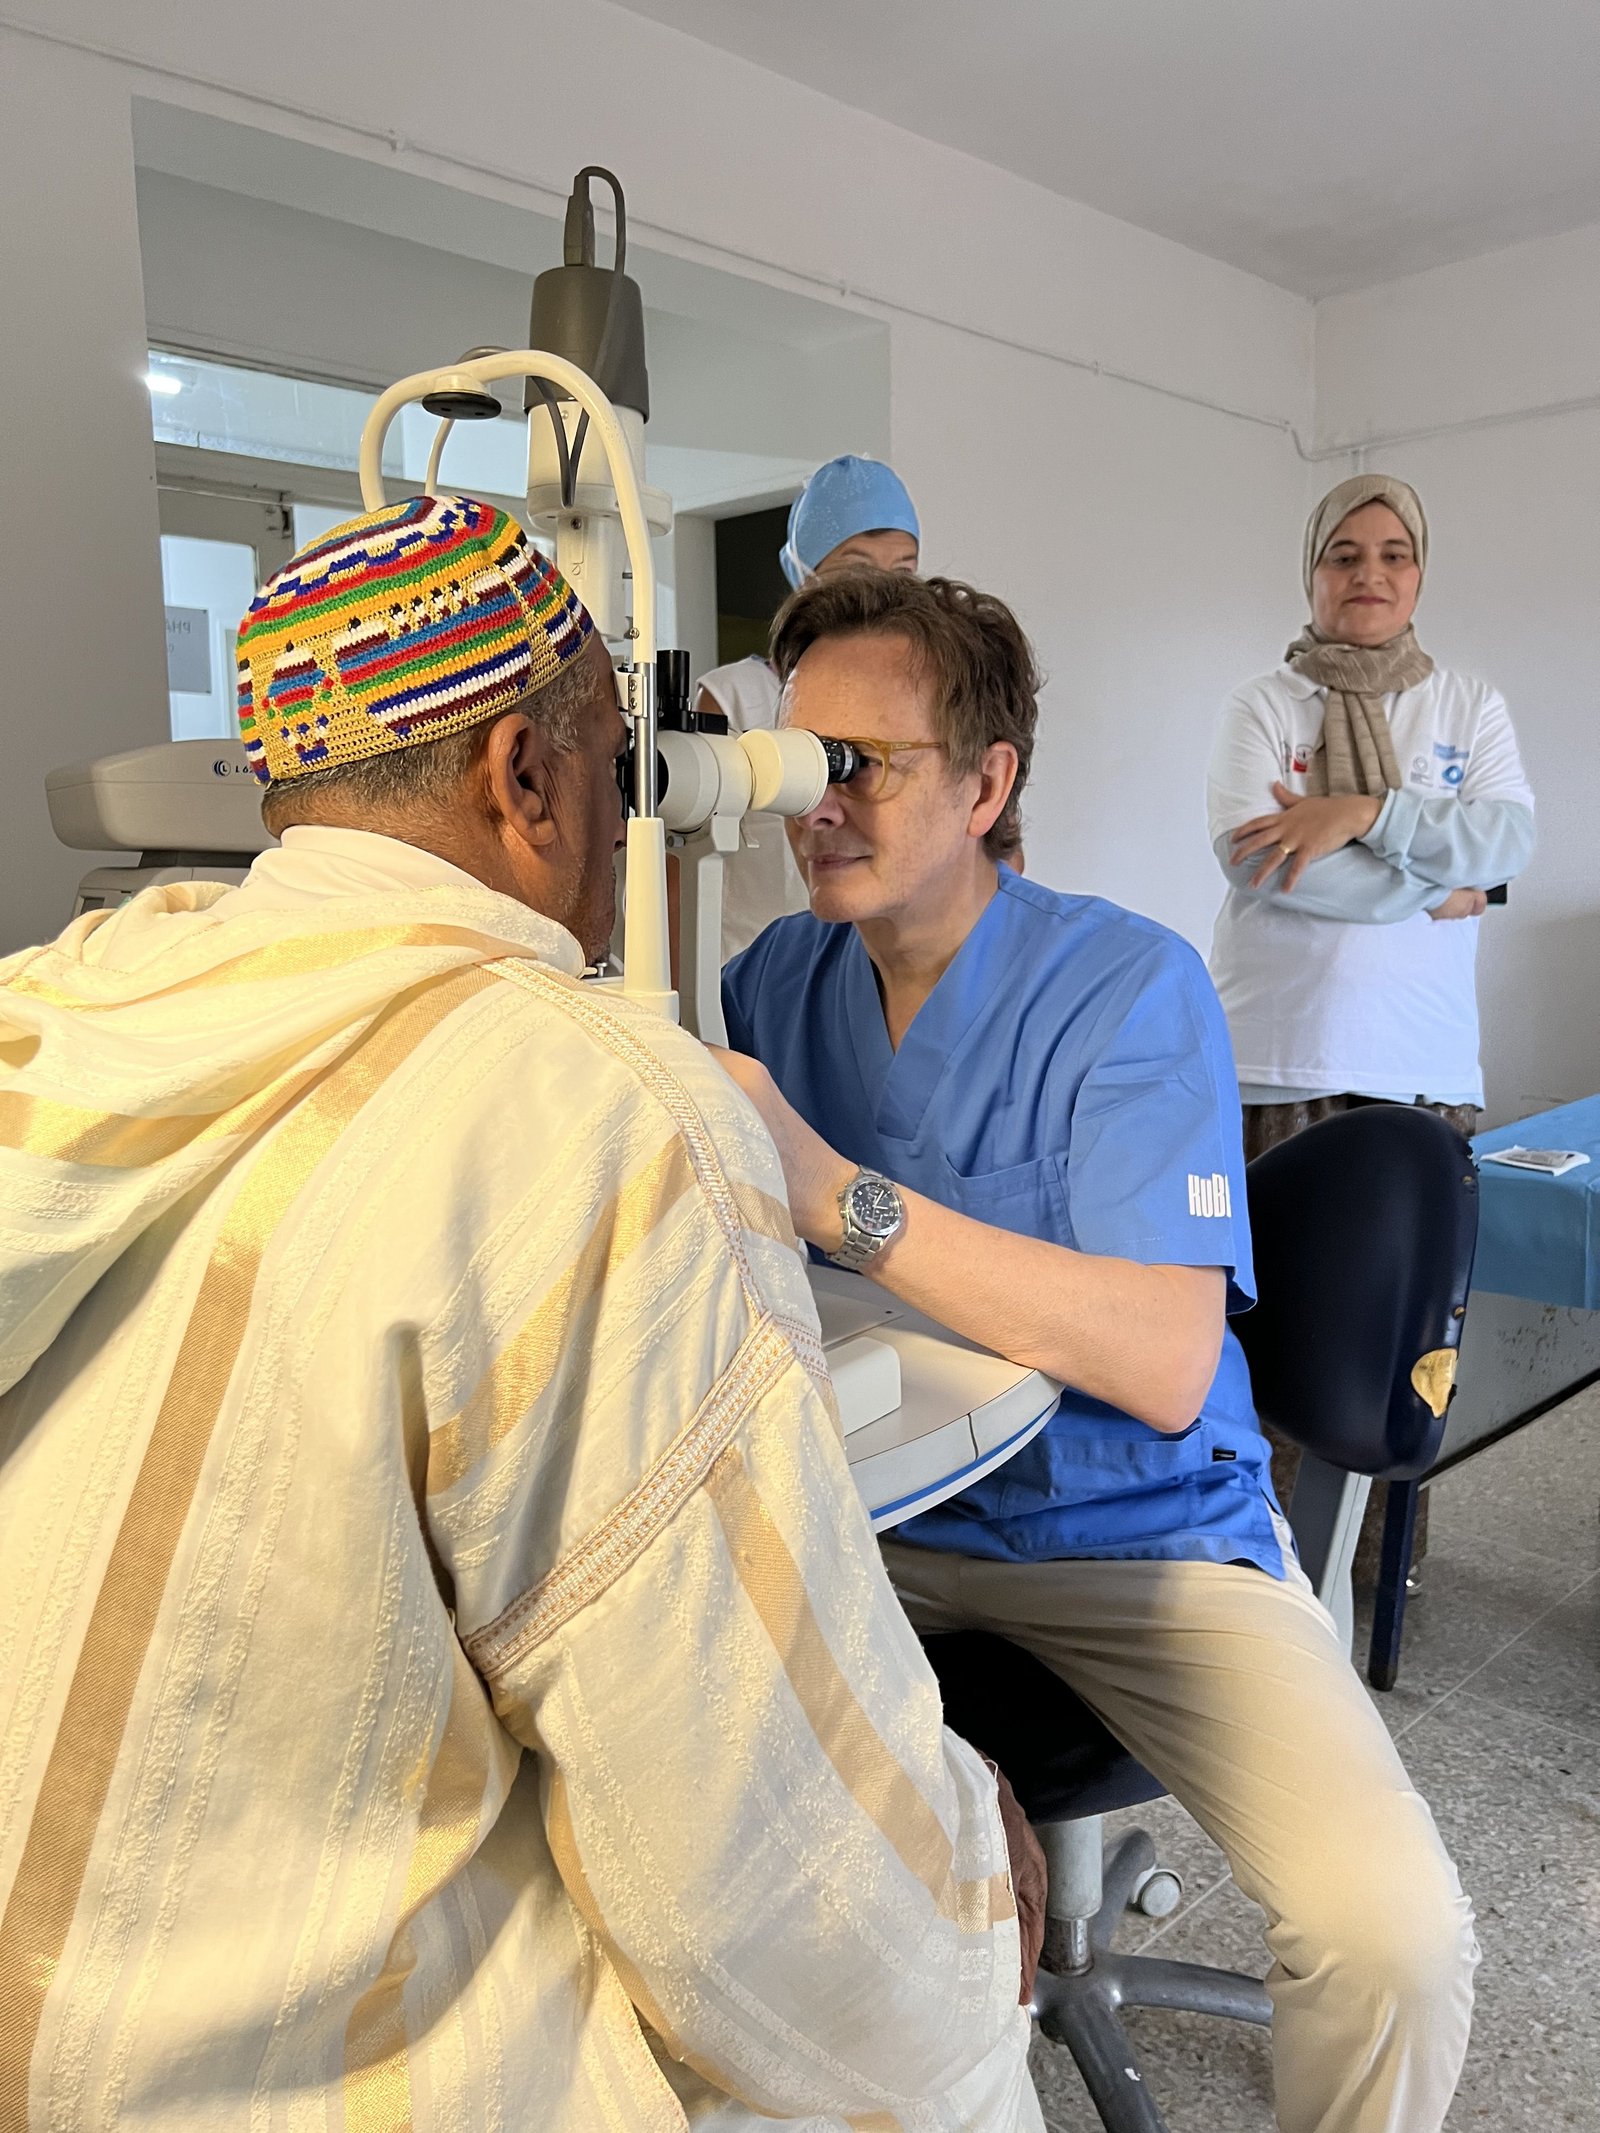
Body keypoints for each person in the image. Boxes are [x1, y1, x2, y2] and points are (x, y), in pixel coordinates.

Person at [0, 497, 1044, 2131]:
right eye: (618, 771)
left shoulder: (65, 1003)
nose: (636, 819)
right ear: (526, 775)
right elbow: (774, 1884)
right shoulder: (602, 1092)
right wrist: (970, 1889)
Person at [718, 568, 1478, 2133]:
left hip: (1133, 1536)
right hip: (868, 1524)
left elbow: (1161, 1358)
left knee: (1393, 1941)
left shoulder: (1127, 988)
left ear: (987, 784)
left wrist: (838, 1191)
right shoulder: (773, 983)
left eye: (865, 764)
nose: (818, 803)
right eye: (797, 763)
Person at [1207, 472, 1535, 1164]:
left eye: (1394, 554)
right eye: (1344, 555)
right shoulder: (1263, 704)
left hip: (1424, 1062)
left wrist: (1366, 814)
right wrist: (1434, 893)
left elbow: (1505, 844)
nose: (1369, 574)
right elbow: (1256, 859)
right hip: (1276, 1060)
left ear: (1419, 574)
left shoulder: (1470, 706)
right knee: (1272, 1241)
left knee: (1415, 1242)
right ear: (1313, 571)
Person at [697, 455, 922, 959]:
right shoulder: (733, 698)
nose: (883, 589)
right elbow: (682, 863)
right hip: (747, 970)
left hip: (870, 965)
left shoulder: (921, 698)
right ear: (803, 574)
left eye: (904, 570)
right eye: (856, 568)